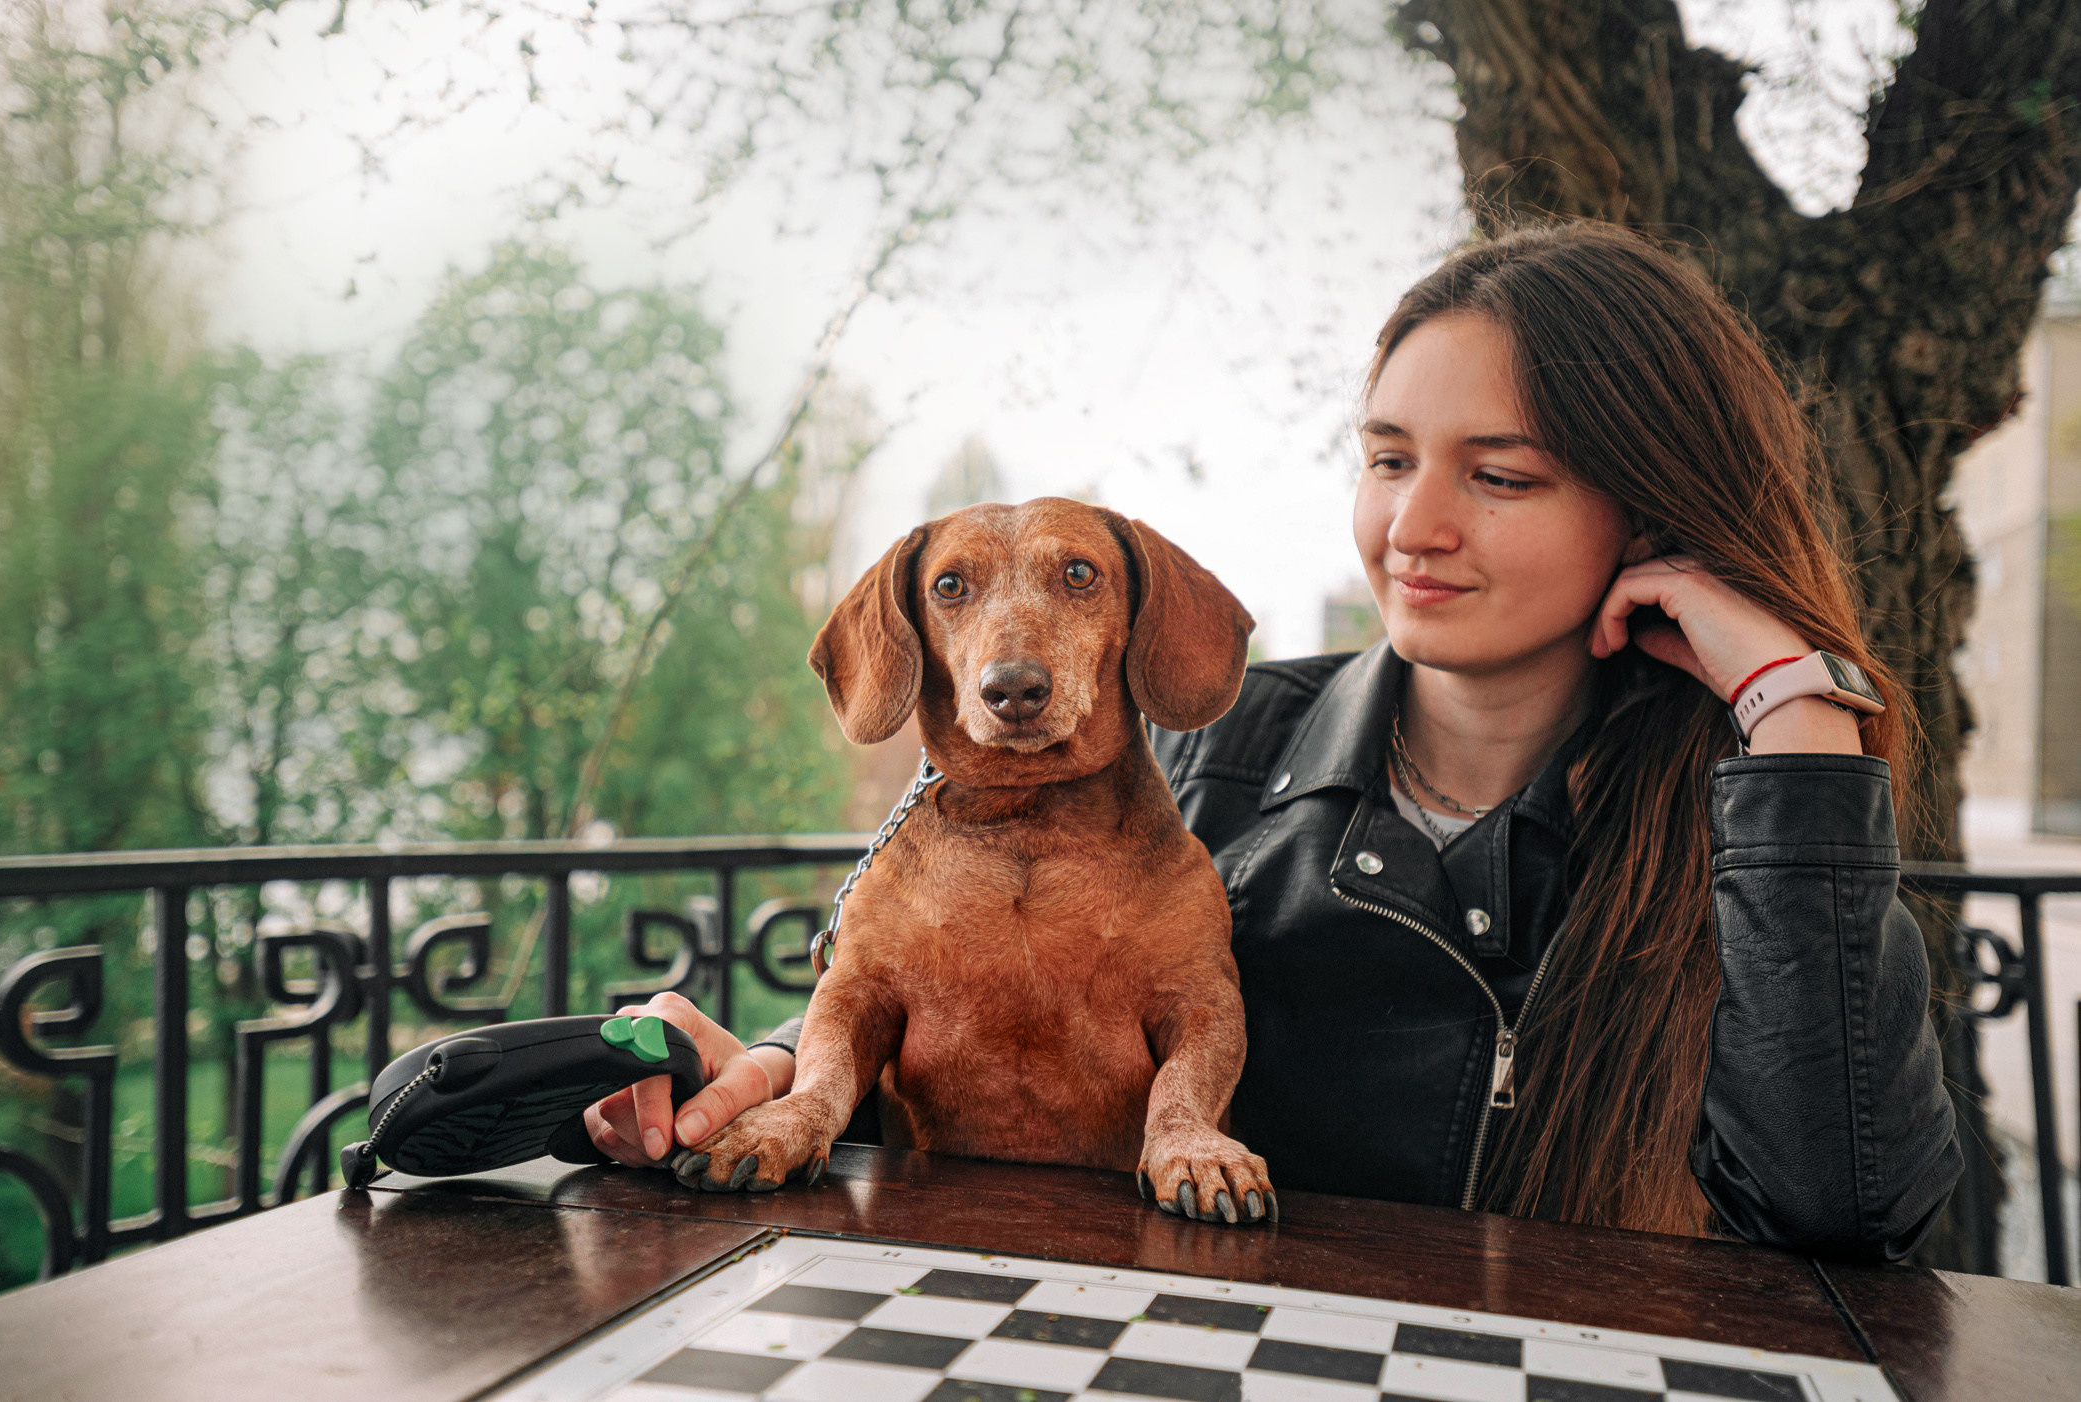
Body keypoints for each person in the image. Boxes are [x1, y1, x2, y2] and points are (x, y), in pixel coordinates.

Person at [583, 223, 1960, 1260]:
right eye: (1386, 456)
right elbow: (1018, 1026)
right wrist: (763, 1072)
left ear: (1652, 511)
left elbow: (1852, 1228)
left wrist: (1796, 710)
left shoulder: (1758, 821)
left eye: (1499, 474)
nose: (1412, 527)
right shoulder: (1212, 752)